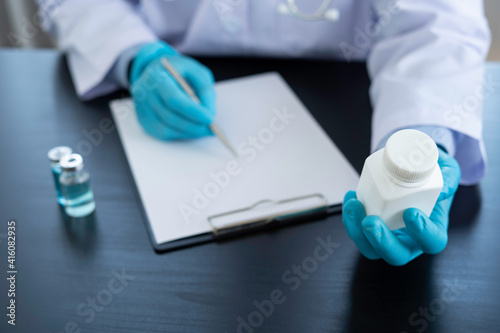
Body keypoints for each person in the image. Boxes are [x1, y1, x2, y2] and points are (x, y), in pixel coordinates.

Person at [37, 0, 490, 265]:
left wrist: (420, 143)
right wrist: (132, 54)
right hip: (172, 60)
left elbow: (439, 21)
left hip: (351, 84)